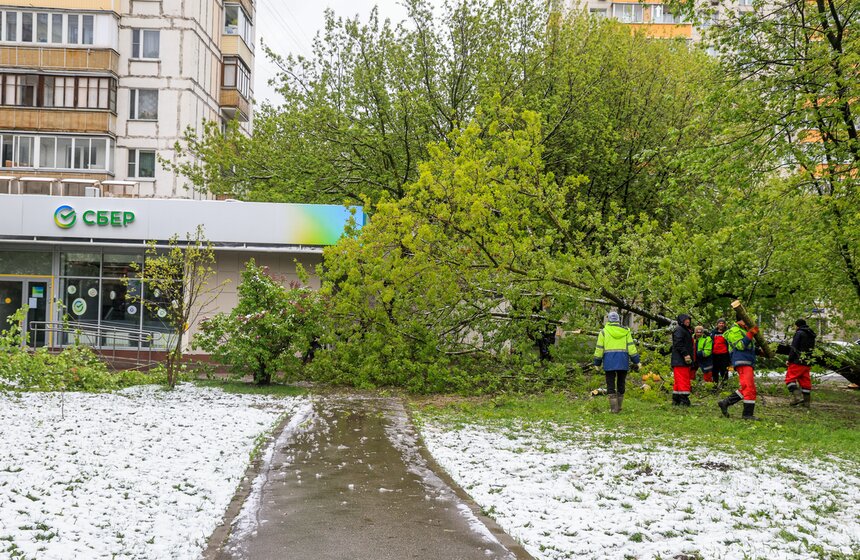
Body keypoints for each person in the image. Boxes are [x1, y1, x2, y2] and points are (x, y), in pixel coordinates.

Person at [593, 311, 640, 413]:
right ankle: (619, 406)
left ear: (608, 320)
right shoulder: (626, 331)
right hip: (623, 361)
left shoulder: (603, 332)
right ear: (619, 320)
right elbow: (631, 347)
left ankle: (614, 409)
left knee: (610, 383)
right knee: (621, 383)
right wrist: (636, 361)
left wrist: (597, 363)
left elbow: (599, 348)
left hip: (609, 361)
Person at [718, 320, 760, 420]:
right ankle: (747, 415)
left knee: (748, 388)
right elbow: (740, 346)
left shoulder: (743, 331)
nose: (747, 323)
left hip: (747, 361)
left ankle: (725, 402)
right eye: (745, 321)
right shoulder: (734, 331)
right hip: (742, 361)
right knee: (748, 388)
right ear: (739, 321)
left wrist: (760, 351)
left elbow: (748, 347)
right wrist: (751, 333)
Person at [785, 319, 816, 408]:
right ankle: (806, 402)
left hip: (797, 361)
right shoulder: (811, 334)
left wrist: (789, 360)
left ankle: (797, 398)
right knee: (805, 381)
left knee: (789, 379)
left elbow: (794, 348)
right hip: (807, 362)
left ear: (797, 325)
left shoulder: (799, 333)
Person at [670, 314, 695, 406]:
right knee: (683, 380)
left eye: (688, 320)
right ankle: (684, 400)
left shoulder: (685, 330)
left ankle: (676, 400)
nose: (688, 321)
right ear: (681, 321)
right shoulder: (680, 330)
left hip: (680, 360)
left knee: (678, 381)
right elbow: (678, 343)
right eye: (685, 320)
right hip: (680, 360)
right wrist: (685, 354)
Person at [710, 318, 731, 388]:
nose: (721, 324)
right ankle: (714, 387)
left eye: (722, 323)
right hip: (714, 355)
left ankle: (724, 387)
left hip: (724, 355)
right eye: (720, 323)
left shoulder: (727, 332)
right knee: (714, 372)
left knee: (724, 371)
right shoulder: (713, 332)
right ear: (717, 324)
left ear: (724, 324)